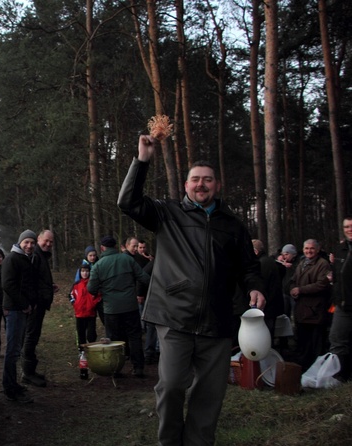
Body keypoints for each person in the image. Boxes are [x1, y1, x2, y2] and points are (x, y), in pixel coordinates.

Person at [117, 135, 265, 446]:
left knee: (210, 395)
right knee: (171, 386)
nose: (201, 185)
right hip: (174, 316)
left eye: (207, 180)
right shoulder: (166, 213)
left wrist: (254, 287)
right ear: (185, 186)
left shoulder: (233, 226)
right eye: (195, 180)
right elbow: (127, 202)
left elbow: (249, 267)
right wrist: (142, 160)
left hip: (218, 321)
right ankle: (170, 442)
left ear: (217, 185)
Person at [87, 235, 150, 377]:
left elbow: (91, 289)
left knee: (114, 339)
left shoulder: (98, 266)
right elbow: (144, 278)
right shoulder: (127, 259)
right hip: (130, 306)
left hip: (111, 309)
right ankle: (138, 367)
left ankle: (115, 369)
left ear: (102, 248)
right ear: (115, 246)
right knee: (134, 336)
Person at [1, 229, 39, 403]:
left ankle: (13, 384)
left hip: (22, 310)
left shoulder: (25, 258)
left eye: (32, 242)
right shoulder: (12, 259)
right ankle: (10, 389)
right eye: (26, 242)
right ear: (20, 243)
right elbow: (8, 284)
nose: (29, 245)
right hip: (15, 311)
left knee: (16, 350)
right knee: (12, 351)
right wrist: (24, 304)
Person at [22, 229, 59, 387]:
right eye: (46, 240)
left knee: (34, 336)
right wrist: (33, 302)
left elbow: (38, 280)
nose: (48, 244)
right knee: (30, 337)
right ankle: (27, 374)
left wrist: (49, 287)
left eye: (51, 242)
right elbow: (28, 282)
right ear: (39, 239)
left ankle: (31, 371)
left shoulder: (41, 256)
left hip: (40, 303)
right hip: (35, 305)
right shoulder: (35, 256)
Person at [289, 238, 333, 371]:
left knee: (315, 343)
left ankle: (315, 369)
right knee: (303, 341)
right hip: (301, 310)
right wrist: (292, 289)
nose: (309, 251)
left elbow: (322, 284)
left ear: (318, 250)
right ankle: (302, 367)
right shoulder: (301, 263)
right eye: (306, 248)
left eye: (312, 248)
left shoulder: (323, 264)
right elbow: (293, 280)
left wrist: (301, 290)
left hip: (315, 311)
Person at [329, 216, 352, 382]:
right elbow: (336, 276)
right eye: (346, 227)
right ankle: (340, 376)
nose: (349, 229)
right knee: (337, 339)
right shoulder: (340, 249)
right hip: (342, 305)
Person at [252, 239, 285, 340]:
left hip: (267, 307)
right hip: (271, 306)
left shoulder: (262, 264)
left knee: (264, 337)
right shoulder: (268, 261)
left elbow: (261, 286)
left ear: (255, 251)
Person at [69, 262, 101, 349]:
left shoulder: (93, 283)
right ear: (80, 272)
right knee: (81, 333)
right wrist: (75, 304)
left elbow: (99, 296)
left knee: (91, 334)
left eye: (87, 271)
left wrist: (93, 304)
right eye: (83, 271)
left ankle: (92, 350)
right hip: (79, 313)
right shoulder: (76, 284)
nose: (85, 273)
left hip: (91, 313)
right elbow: (71, 295)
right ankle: (81, 351)